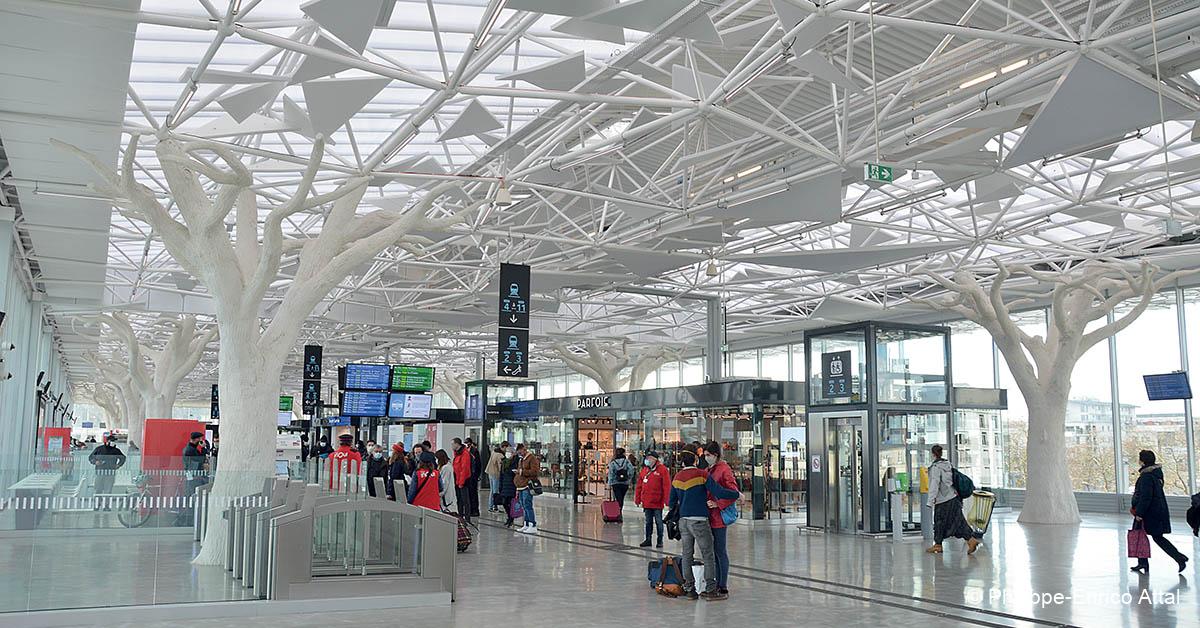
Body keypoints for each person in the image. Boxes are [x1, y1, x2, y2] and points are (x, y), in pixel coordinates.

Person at [668, 450, 735, 601]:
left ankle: (689, 588)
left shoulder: (677, 477)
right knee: (708, 554)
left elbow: (671, 502)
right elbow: (719, 491)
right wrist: (736, 495)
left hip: (684, 521)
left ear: (683, 462)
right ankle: (710, 589)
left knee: (687, 555)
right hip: (699, 520)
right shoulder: (702, 475)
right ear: (696, 460)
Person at [1130, 449, 1189, 573]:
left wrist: (1139, 513)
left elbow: (1146, 497)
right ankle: (1142, 562)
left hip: (1148, 513)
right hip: (1156, 510)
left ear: (1142, 461)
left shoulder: (1146, 477)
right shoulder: (1156, 474)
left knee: (1155, 537)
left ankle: (1179, 558)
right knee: (1140, 535)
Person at [926, 444, 978, 555]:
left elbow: (934, 485)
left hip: (942, 500)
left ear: (933, 454)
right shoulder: (947, 464)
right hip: (953, 498)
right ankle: (971, 540)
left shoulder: (935, 468)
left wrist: (930, 501)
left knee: (939, 522)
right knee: (959, 521)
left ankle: (938, 545)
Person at [704, 442, 740, 597]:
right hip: (707, 516)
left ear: (715, 455)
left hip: (718, 517)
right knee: (711, 552)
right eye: (704, 455)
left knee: (720, 551)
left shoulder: (724, 470)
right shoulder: (707, 470)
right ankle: (715, 582)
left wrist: (718, 504)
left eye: (708, 455)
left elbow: (733, 492)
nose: (706, 458)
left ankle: (722, 584)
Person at [635, 450, 671, 548]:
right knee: (648, 522)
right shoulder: (644, 470)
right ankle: (648, 539)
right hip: (647, 502)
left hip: (657, 502)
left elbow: (667, 486)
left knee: (659, 522)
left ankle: (660, 540)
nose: (647, 460)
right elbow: (639, 485)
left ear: (655, 459)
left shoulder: (662, 470)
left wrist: (667, 501)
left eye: (649, 458)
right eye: (647, 458)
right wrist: (637, 499)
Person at [88, 434, 126, 506]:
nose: (113, 443)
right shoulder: (99, 449)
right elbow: (90, 457)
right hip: (99, 472)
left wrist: (118, 465)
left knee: (108, 490)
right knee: (98, 489)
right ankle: (97, 504)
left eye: (114, 442)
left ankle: (106, 505)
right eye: (112, 441)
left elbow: (123, 458)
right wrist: (95, 462)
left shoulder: (116, 450)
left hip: (110, 473)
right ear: (107, 441)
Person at [514, 443, 541, 534]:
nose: (520, 454)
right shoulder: (521, 459)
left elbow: (535, 471)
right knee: (523, 505)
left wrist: (521, 472)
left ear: (524, 450)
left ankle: (532, 525)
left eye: (520, 452)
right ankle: (526, 524)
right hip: (520, 485)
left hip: (527, 485)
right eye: (518, 453)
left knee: (527, 505)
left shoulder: (532, 458)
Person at [451, 438, 473, 523]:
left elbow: (465, 469)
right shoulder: (457, 453)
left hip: (463, 480)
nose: (452, 446)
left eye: (453, 444)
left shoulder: (465, 453)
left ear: (457, 444)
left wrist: (461, 482)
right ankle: (460, 517)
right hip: (457, 479)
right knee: (459, 500)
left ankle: (467, 519)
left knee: (465, 500)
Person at [607, 447, 634, 516]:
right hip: (625, 483)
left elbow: (611, 473)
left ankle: (618, 512)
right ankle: (619, 511)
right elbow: (631, 470)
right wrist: (628, 478)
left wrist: (610, 483)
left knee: (618, 497)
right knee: (621, 497)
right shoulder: (627, 461)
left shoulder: (613, 463)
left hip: (615, 483)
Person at [182, 431, 208, 496]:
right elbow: (201, 459)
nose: (201, 441)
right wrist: (203, 448)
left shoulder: (190, 449)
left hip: (192, 474)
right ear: (197, 439)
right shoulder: (191, 450)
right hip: (194, 475)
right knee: (193, 493)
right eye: (200, 439)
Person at [499, 445, 519, 527]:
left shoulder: (516, 462)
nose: (508, 454)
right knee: (504, 502)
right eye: (507, 452)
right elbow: (501, 475)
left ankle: (511, 519)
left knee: (510, 502)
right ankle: (509, 516)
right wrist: (500, 486)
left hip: (512, 485)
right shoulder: (504, 462)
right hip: (505, 485)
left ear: (513, 453)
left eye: (509, 452)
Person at [466, 438, 482, 518]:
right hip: (468, 475)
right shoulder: (465, 451)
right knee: (469, 493)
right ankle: (470, 509)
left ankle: (475, 510)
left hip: (473, 475)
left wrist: (476, 475)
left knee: (473, 493)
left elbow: (478, 464)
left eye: (468, 443)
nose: (467, 445)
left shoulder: (474, 451)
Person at [485, 445, 504, 512]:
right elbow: (500, 467)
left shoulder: (494, 452)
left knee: (492, 490)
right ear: (503, 447)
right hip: (495, 474)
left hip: (490, 473)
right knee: (495, 491)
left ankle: (492, 506)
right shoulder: (500, 455)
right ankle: (493, 507)